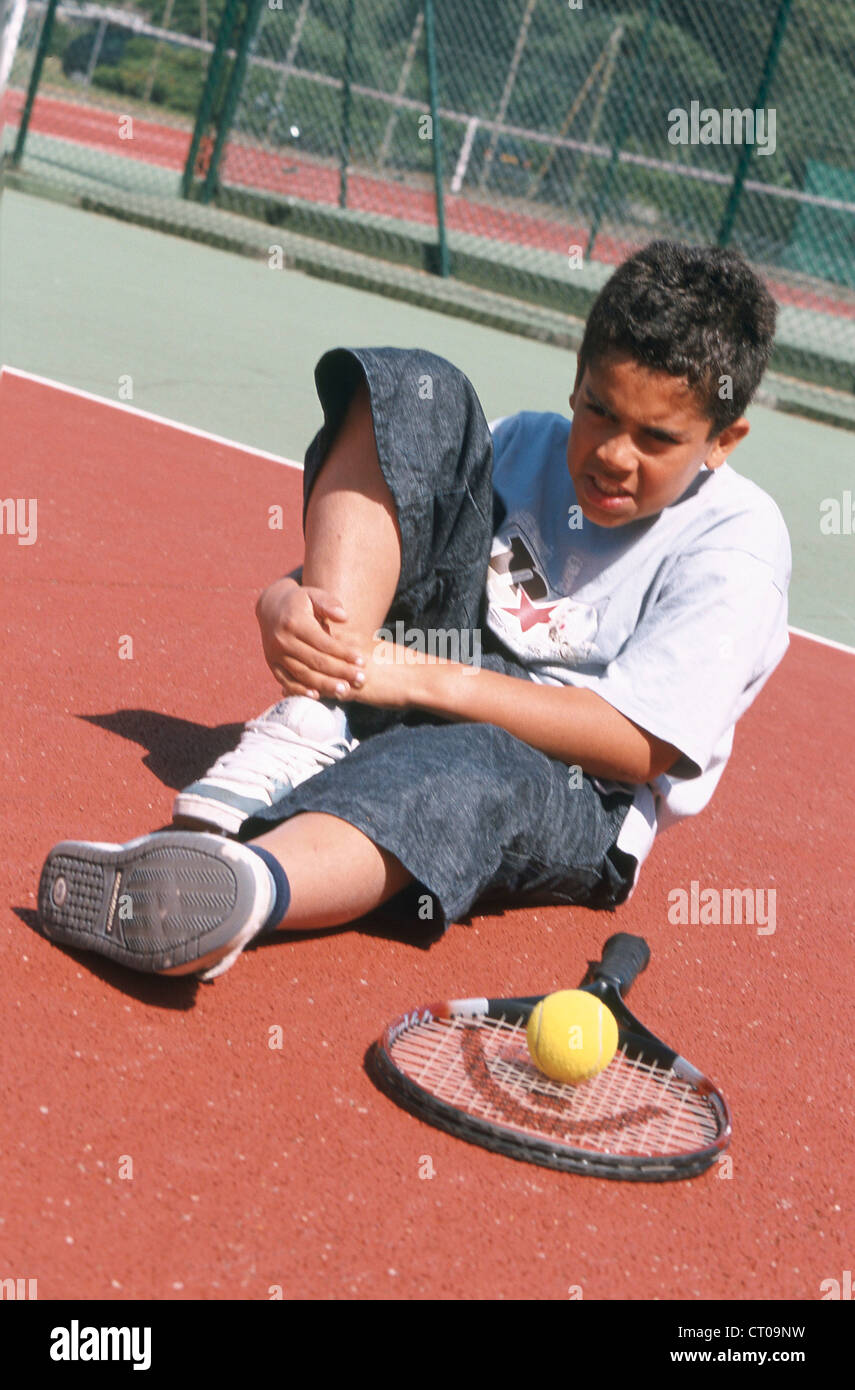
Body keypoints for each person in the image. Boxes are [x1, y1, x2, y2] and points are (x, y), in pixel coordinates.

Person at [37, 240, 791, 981]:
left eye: (657, 438)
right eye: (599, 412)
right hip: (411, 679)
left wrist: (426, 682)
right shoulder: (526, 442)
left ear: (723, 440)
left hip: (578, 783)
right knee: (418, 390)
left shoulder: (738, 547)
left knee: (462, 763)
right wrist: (286, 602)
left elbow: (637, 747)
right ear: (576, 382)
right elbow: (400, 532)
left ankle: (245, 887)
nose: (613, 454)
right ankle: (309, 727)